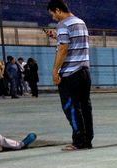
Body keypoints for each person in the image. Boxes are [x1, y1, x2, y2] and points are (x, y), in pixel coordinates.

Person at [47, 0, 94, 151]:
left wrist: (55, 71)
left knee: (71, 107)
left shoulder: (63, 24)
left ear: (58, 10)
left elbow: (63, 50)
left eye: (52, 14)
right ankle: (87, 140)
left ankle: (78, 141)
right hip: (84, 72)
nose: (53, 18)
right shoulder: (81, 22)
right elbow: (75, 42)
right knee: (85, 107)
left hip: (70, 74)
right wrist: (57, 36)